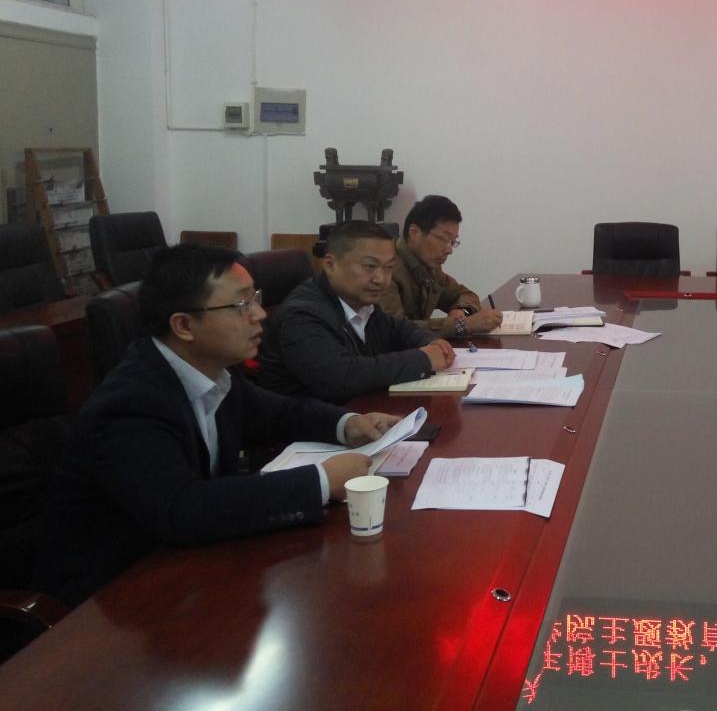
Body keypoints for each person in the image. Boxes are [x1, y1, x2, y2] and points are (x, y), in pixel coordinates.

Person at [33, 244, 402, 606]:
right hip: (109, 599)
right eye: (241, 305)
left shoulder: (211, 372)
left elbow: (279, 413)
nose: (260, 315)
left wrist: (349, 423)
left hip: (187, 566)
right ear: (183, 325)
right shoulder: (131, 403)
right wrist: (321, 481)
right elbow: (181, 508)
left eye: (255, 299)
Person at [256, 221, 456, 403]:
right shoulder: (302, 315)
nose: (380, 279)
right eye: (370, 266)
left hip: (359, 413)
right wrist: (423, 359)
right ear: (330, 265)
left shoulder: (361, 302)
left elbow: (399, 329)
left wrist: (430, 342)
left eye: (388, 268)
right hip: (306, 427)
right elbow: (342, 376)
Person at [380, 194, 503, 336]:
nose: (449, 250)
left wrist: (462, 311)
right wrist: (463, 325)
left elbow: (465, 294)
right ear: (414, 233)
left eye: (453, 242)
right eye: (444, 239)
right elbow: (395, 331)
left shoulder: (430, 266)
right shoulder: (384, 269)